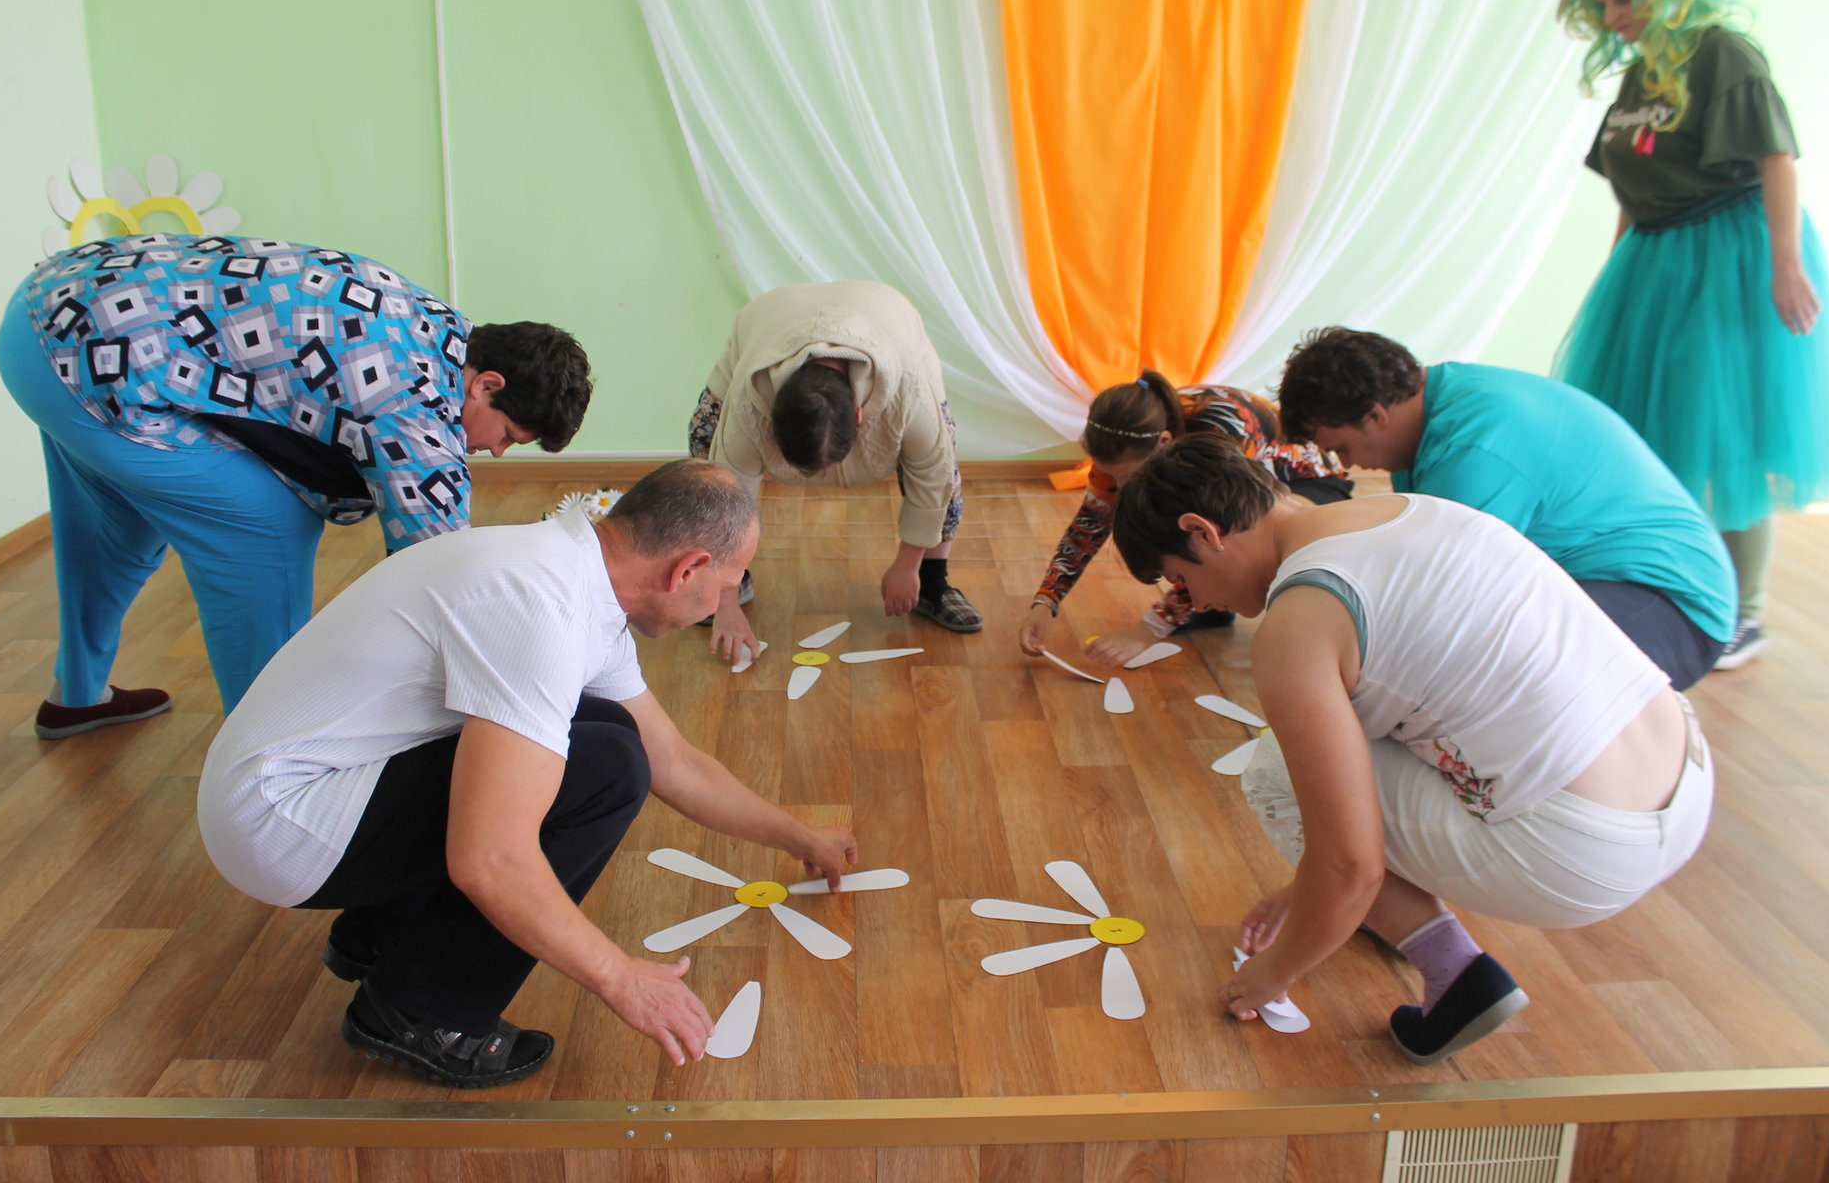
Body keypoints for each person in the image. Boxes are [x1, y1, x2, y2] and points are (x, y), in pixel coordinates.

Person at [197, 460, 858, 1088]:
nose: (720, 603)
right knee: (605, 768)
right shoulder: (542, 610)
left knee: (606, 734)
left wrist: (796, 836)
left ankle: (378, 937)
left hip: (309, 784)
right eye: (727, 583)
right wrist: (621, 978)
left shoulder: (568, 572)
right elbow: (490, 859)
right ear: (688, 569)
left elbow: (675, 761)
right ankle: (420, 1012)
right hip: (280, 826)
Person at [1113, 436, 1712, 1064]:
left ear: (1203, 532)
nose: (1197, 602)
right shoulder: (1417, 509)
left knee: (1277, 770)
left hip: (1588, 852)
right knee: (1354, 740)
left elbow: (1351, 865)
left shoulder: (1299, 622)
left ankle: (1456, 976)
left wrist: (1275, 971)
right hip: (1686, 774)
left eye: (1183, 579)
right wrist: (1308, 886)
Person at [0, 233, 592, 732]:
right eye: (508, 435)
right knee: (266, 526)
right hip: (94, 359)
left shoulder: (440, 326)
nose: (495, 451)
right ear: (486, 385)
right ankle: (263, 757)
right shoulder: (413, 412)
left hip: (53, 310)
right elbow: (441, 576)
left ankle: (76, 696)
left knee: (116, 524)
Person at [1554, 0, 1829, 668]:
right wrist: (1618, 274)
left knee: (1722, 429)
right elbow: (1630, 187)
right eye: (1604, 4)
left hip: (1727, 253)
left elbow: (1776, 158)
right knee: (1655, 432)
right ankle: (1673, 585)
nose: (1614, 16)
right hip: (1656, 256)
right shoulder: (1641, 73)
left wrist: (1785, 265)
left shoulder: (1722, 52)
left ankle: (1745, 612)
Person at [1277, 328, 1734, 690]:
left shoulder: (1473, 448)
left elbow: (1438, 594)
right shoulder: (1439, 405)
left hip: (1671, 606)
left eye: (1342, 448)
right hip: (1611, 582)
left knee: (1496, 682)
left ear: (1376, 415)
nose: (1350, 465)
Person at [688, 280, 979, 660]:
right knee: (706, 444)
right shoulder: (750, 403)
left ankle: (932, 584)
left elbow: (932, 476)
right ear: (771, 421)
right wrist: (724, 601)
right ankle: (731, 578)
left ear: (859, 416)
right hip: (769, 322)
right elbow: (726, 501)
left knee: (945, 465)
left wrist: (908, 566)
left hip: (889, 319)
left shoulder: (909, 393)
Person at [1017, 371, 1347, 671]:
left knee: (1236, 555)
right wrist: (1047, 599)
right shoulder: (1122, 447)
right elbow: (1089, 524)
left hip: (1309, 484)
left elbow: (1235, 531)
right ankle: (1214, 605)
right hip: (1247, 495)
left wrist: (1149, 629)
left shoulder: (1222, 435)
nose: (1119, 487)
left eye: (1127, 478)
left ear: (1163, 442)